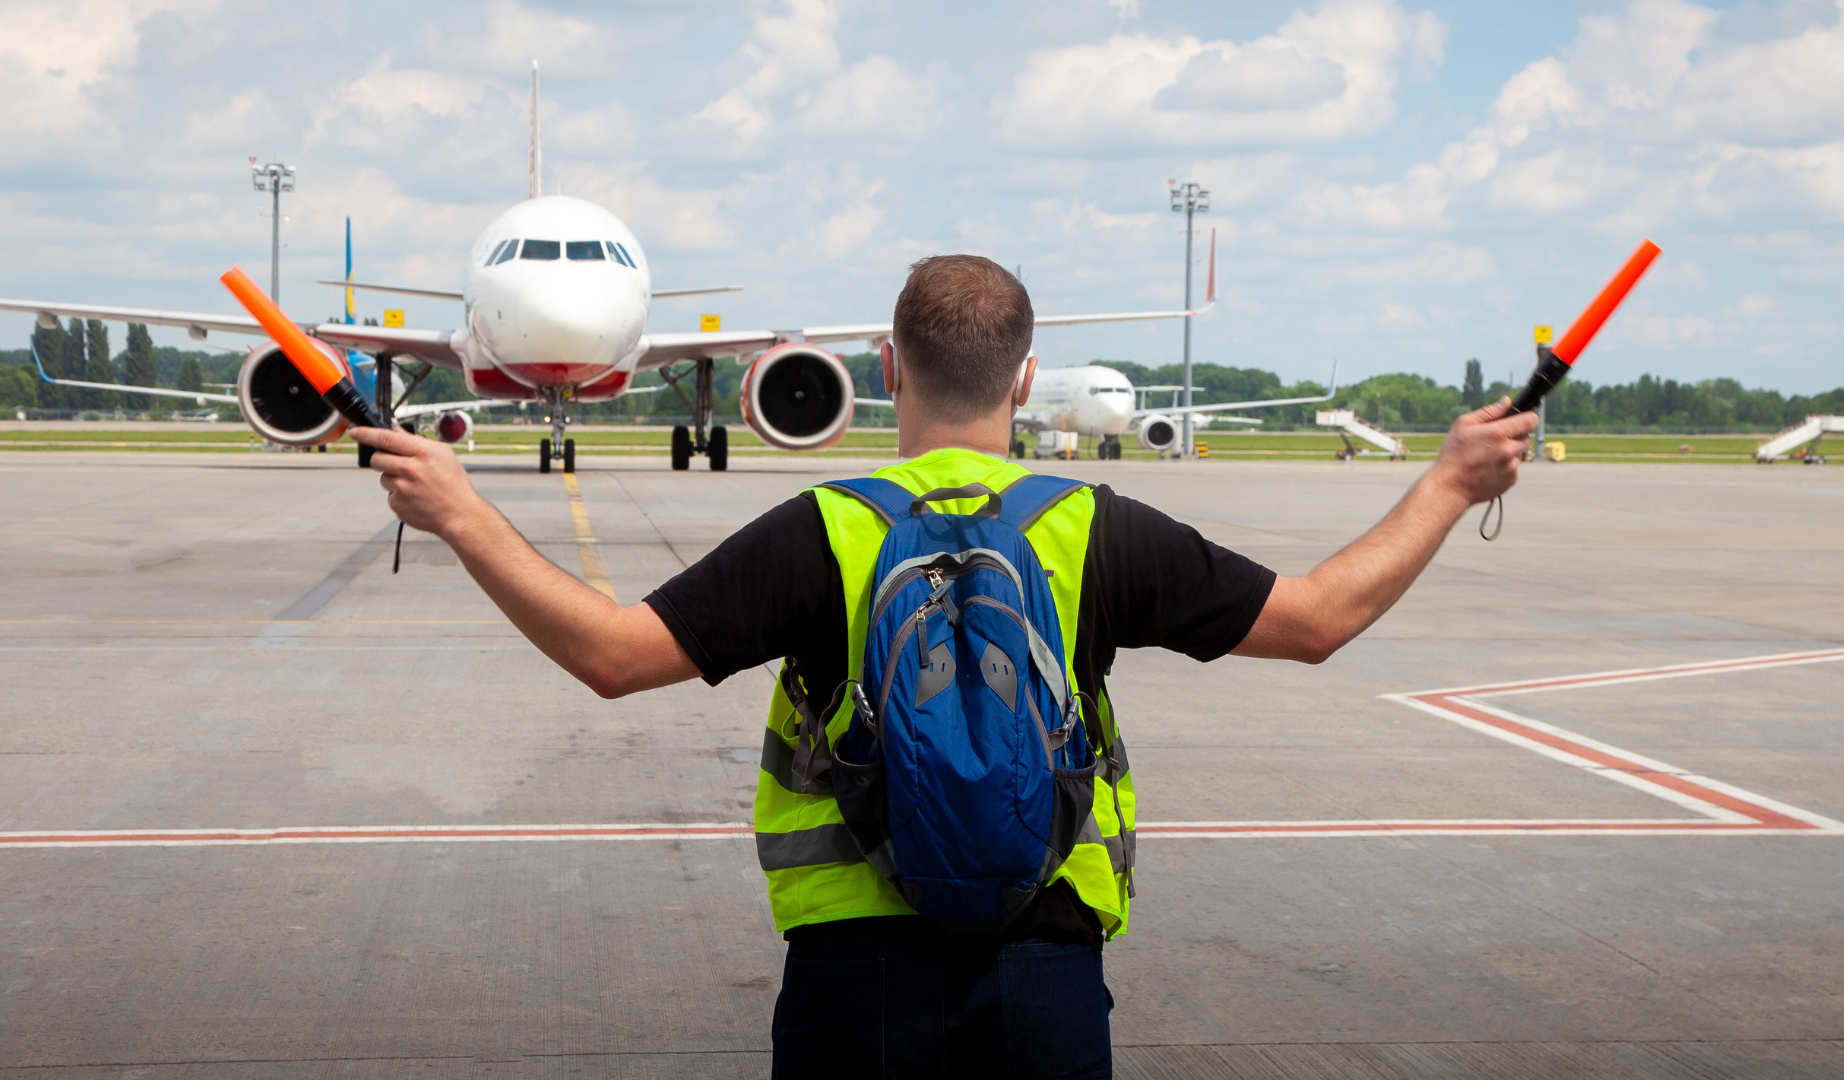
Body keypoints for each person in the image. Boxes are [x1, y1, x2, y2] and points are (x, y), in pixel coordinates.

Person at [352, 255, 1537, 1079]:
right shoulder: (1094, 526)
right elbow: (1321, 617)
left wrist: (461, 512)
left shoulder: (828, 528)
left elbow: (611, 656)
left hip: (851, 977)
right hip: (1047, 973)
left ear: (888, 364)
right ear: (1025, 378)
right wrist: (1444, 480)